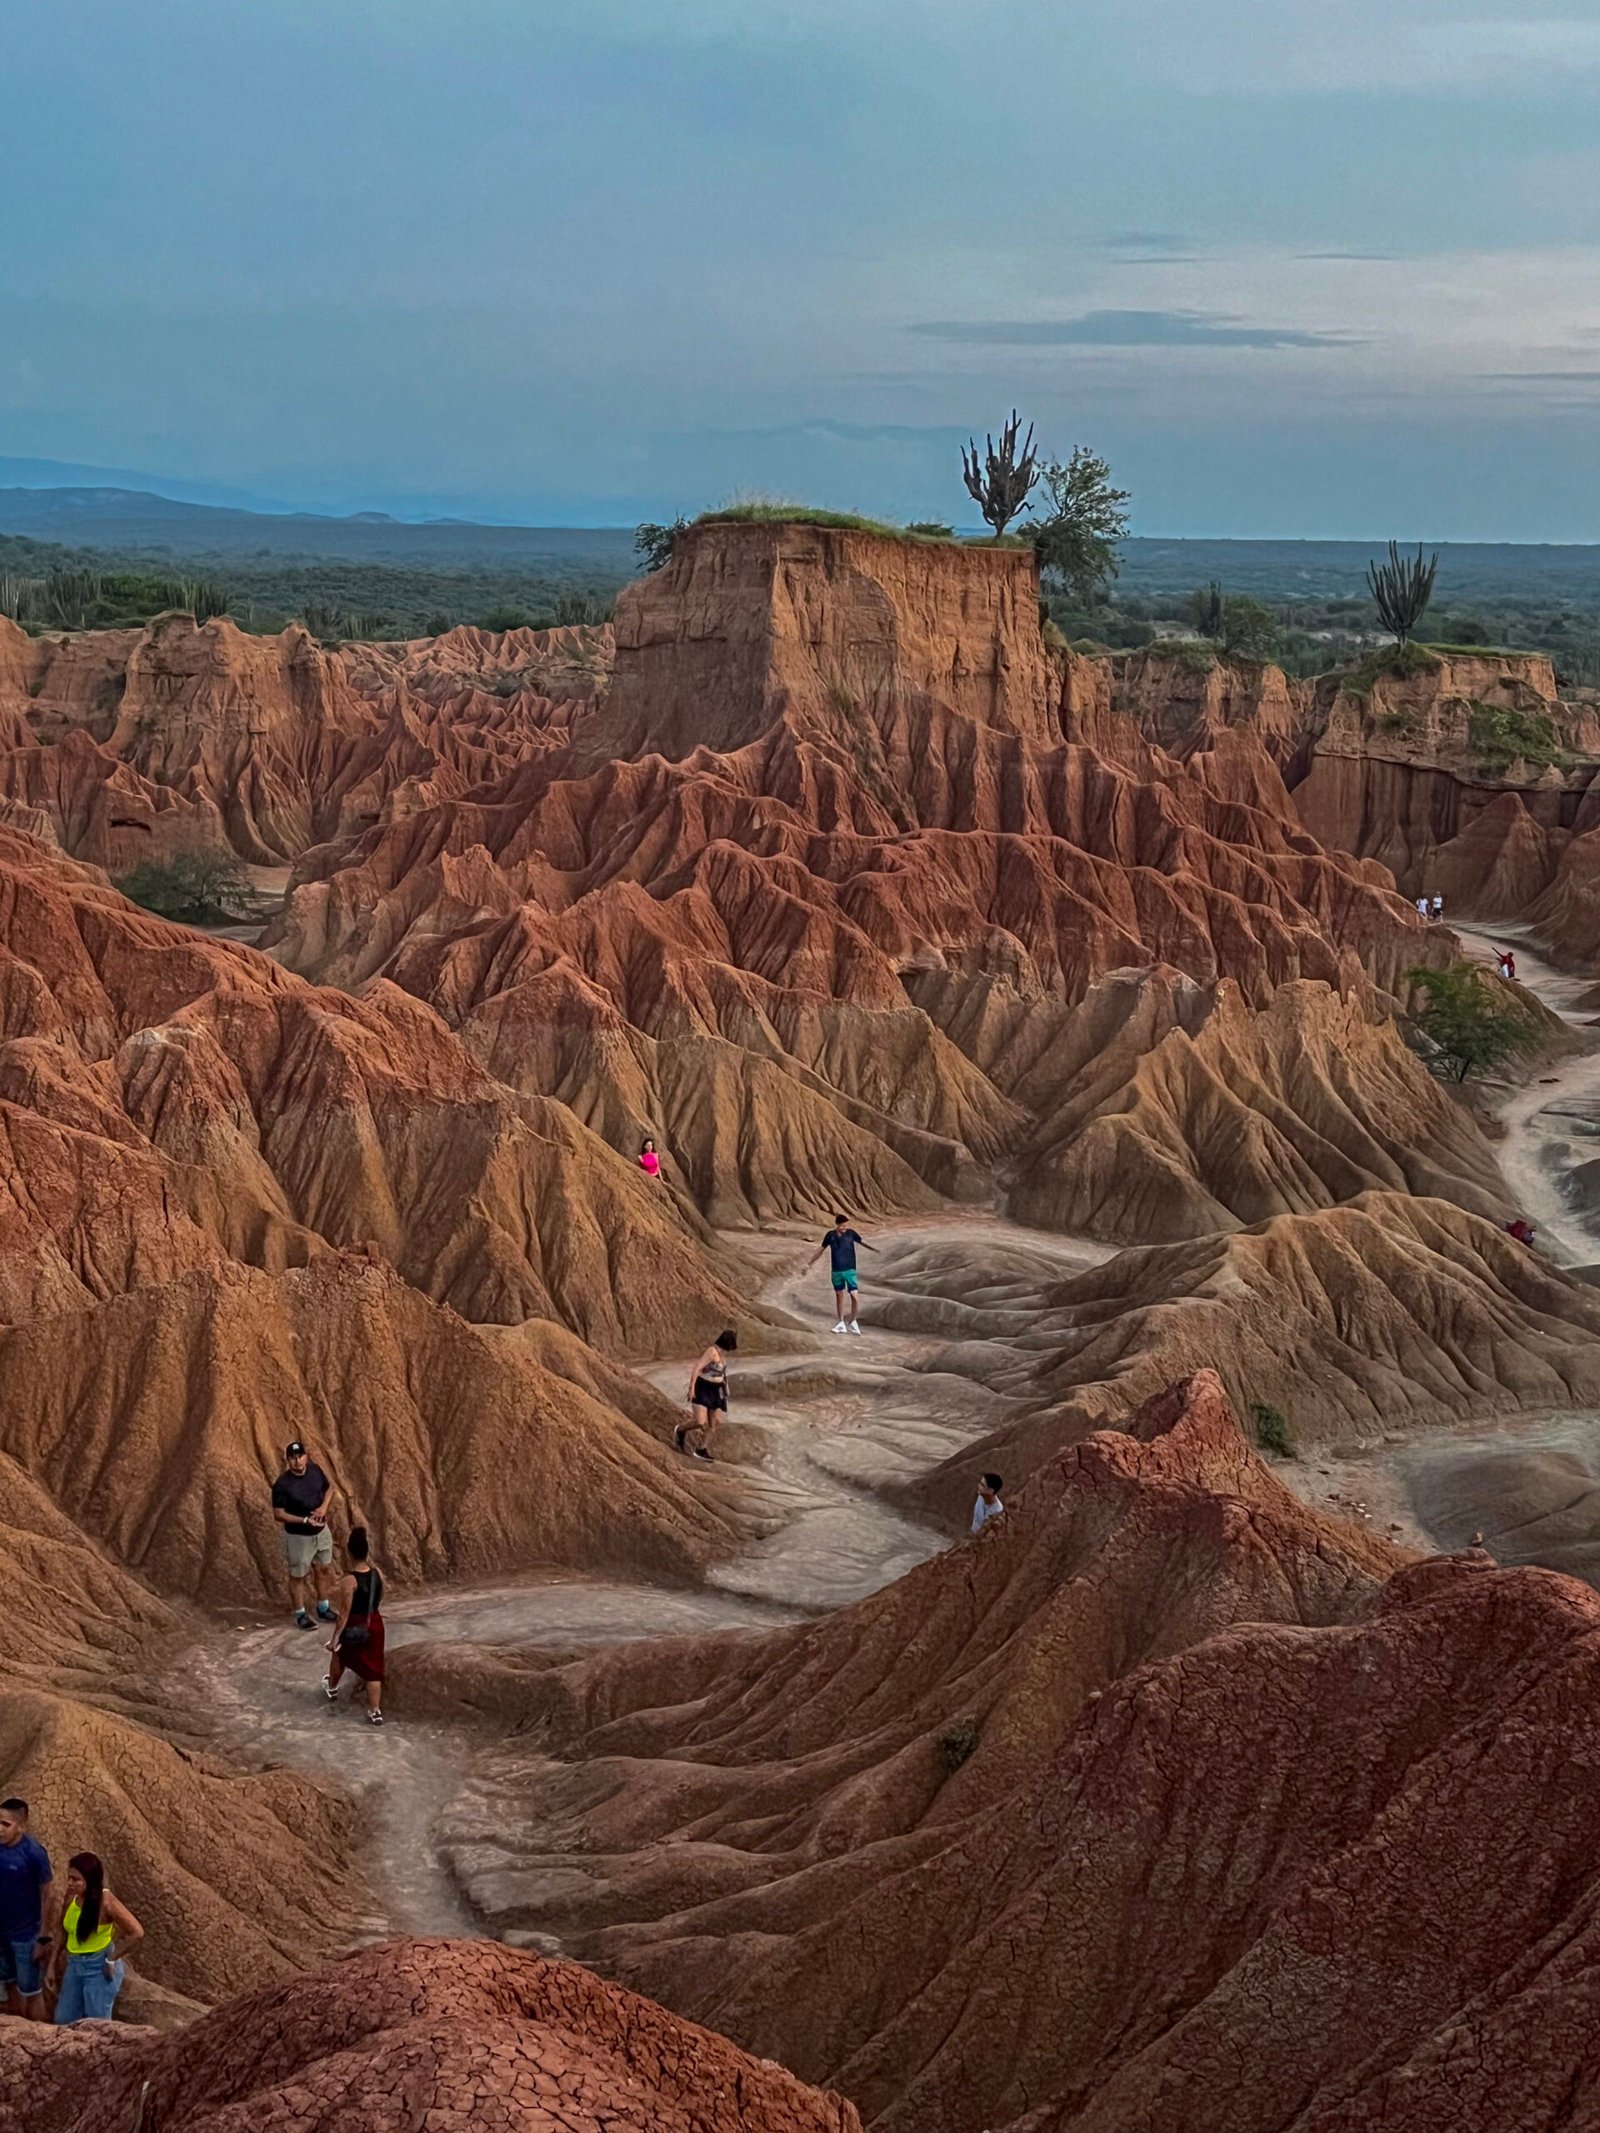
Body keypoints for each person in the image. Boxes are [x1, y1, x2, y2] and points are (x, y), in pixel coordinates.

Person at [49, 1853, 142, 2025]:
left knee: (97, 2024)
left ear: (90, 1879)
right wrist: (51, 1965)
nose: (70, 1883)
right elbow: (64, 1931)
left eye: (76, 1879)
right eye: (69, 1877)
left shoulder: (106, 1902)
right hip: (75, 1965)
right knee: (64, 2019)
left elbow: (136, 1932)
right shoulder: (71, 1896)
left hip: (97, 1966)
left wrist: (111, 1959)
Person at [271, 1440, 338, 1631]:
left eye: (300, 1456)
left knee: (323, 1569)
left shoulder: (315, 1470)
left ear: (305, 1457)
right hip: (299, 1537)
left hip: (321, 1532)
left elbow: (329, 1488)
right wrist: (304, 1521)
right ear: (287, 1461)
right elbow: (278, 1514)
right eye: (292, 1458)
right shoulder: (282, 1484)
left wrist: (324, 1508)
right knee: (298, 1575)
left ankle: (323, 1607)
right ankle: (300, 1614)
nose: (297, 1461)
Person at [323, 1526, 387, 1724]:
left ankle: (332, 1688)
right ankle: (375, 1711)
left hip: (355, 1624)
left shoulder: (349, 1581)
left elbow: (344, 1613)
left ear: (349, 1553)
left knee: (339, 1654)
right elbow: (380, 1597)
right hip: (374, 1623)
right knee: (374, 1669)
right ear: (367, 1551)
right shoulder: (379, 1574)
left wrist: (335, 1638)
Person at [0, 1799, 55, 2021]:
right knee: (9, 1983)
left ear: (21, 1826)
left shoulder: (34, 1853)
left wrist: (42, 1938)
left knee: (31, 1992)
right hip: (1, 1934)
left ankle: (40, 2039)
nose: (0, 1829)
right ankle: (19, 2033)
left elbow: (48, 1896)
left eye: (5, 1824)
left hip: (26, 1936)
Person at [810, 1215, 877, 1333]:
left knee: (854, 1296)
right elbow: (821, 1249)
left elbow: (862, 1242)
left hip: (850, 1270)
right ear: (837, 1225)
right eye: (843, 1225)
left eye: (846, 1225)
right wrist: (810, 1263)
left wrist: (873, 1249)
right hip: (836, 1271)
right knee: (839, 1296)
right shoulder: (830, 1235)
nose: (845, 1227)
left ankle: (853, 1321)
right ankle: (841, 1323)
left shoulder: (851, 1234)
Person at [677, 1329, 736, 1459]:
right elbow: (697, 1368)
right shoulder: (712, 1352)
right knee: (699, 1421)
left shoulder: (723, 1355)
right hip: (704, 1387)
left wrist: (726, 1386)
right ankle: (680, 1430)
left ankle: (701, 1448)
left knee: (713, 1424)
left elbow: (722, 1373)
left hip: (716, 1389)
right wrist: (691, 1388)